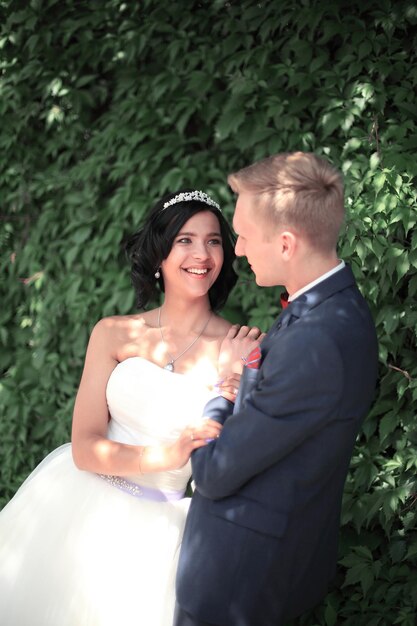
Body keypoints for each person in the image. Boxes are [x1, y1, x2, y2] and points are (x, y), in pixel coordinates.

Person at [0, 189, 262, 626]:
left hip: (159, 535)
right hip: (74, 505)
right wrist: (166, 455)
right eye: (185, 239)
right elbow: (85, 447)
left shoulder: (242, 349)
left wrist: (233, 382)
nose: (202, 253)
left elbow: (238, 462)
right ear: (159, 253)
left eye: (214, 240)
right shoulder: (114, 334)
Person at [174, 153, 379, 626]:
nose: (238, 249)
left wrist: (222, 386)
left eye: (244, 235)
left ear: (286, 244)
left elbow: (213, 473)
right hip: (265, 566)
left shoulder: (317, 339)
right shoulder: (333, 309)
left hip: (237, 582)